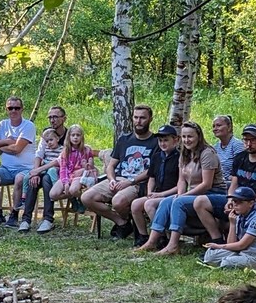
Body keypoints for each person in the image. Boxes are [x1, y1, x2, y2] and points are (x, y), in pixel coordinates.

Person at [136, 122, 216, 257]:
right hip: (191, 194)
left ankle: (173, 245)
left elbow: (207, 184)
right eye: (184, 137)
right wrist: (180, 194)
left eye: (190, 137)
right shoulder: (184, 154)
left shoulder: (207, 153)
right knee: (168, 201)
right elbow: (181, 180)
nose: (186, 140)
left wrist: (182, 197)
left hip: (210, 193)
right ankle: (152, 241)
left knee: (177, 202)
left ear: (199, 136)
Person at [80, 104, 160, 238]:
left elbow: (152, 171)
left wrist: (130, 182)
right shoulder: (124, 139)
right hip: (118, 179)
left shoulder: (156, 141)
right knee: (86, 197)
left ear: (150, 119)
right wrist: (111, 180)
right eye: (136, 117)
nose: (138, 121)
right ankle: (122, 222)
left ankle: (131, 222)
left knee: (118, 201)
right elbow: (111, 166)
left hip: (138, 182)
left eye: (142, 118)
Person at [0, 97, 38, 229]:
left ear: (22, 109)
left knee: (20, 179)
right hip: (6, 168)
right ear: (6, 109)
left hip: (26, 168)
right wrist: (7, 141)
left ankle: (14, 214)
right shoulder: (2, 125)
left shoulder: (28, 126)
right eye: (10, 108)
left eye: (17, 108)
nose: (13, 111)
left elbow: (17, 149)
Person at [16, 105, 68, 233]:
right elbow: (39, 154)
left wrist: (38, 171)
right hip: (44, 168)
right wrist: (35, 172)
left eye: (55, 117)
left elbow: (60, 160)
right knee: (33, 180)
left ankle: (48, 219)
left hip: (62, 171)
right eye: (50, 117)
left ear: (64, 118)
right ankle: (26, 220)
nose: (52, 120)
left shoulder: (69, 136)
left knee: (46, 179)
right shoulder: (47, 133)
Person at [125, 128, 181, 243]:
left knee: (149, 205)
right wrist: (150, 192)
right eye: (160, 141)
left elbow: (181, 185)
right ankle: (143, 236)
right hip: (156, 193)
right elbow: (152, 177)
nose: (162, 143)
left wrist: (160, 194)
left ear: (175, 140)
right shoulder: (156, 157)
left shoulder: (180, 158)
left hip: (172, 194)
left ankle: (162, 236)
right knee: (135, 204)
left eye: (166, 140)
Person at [201, 188, 256, 270]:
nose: (235, 205)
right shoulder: (239, 217)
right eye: (234, 201)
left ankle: (233, 263)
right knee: (210, 257)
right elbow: (231, 243)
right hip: (240, 252)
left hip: (254, 256)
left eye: (240, 202)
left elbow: (241, 245)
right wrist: (232, 224)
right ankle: (229, 261)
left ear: (251, 204)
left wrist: (218, 246)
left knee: (227, 262)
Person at [47, 124, 97, 217]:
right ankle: (73, 199)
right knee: (53, 194)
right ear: (69, 137)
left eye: (78, 135)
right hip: (67, 175)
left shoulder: (86, 150)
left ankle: (81, 200)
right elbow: (63, 168)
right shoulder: (65, 151)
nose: (75, 138)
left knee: (73, 189)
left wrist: (85, 167)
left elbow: (91, 167)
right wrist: (65, 182)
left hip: (79, 175)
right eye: (73, 135)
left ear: (81, 137)